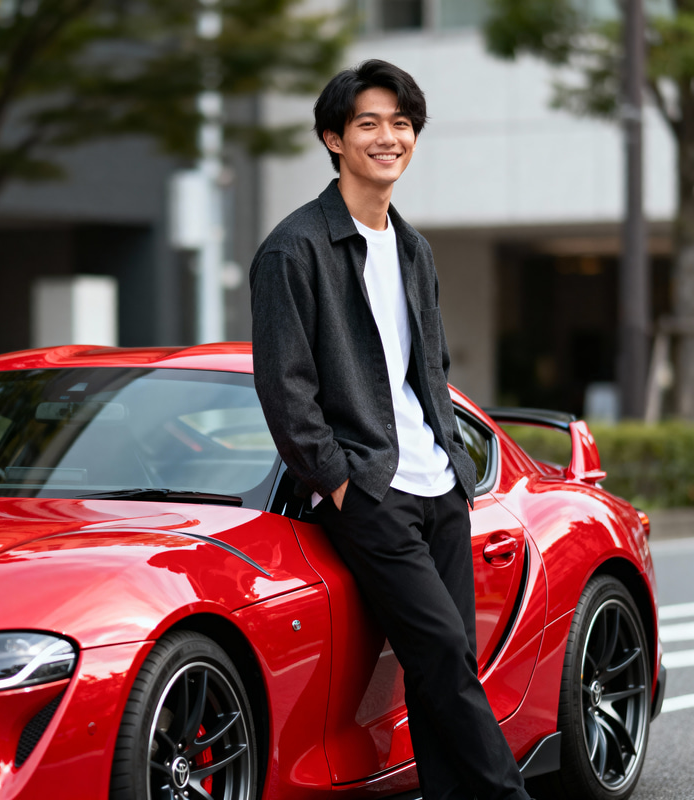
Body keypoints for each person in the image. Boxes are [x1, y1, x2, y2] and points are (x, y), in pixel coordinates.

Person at [249, 60, 533, 800]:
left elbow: (428, 367)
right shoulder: (294, 248)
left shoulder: (413, 248)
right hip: (372, 492)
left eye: (401, 123)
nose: (389, 136)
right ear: (333, 139)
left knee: (448, 669)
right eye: (369, 123)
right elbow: (285, 386)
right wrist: (342, 484)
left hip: (439, 485)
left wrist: (452, 462)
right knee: (440, 651)